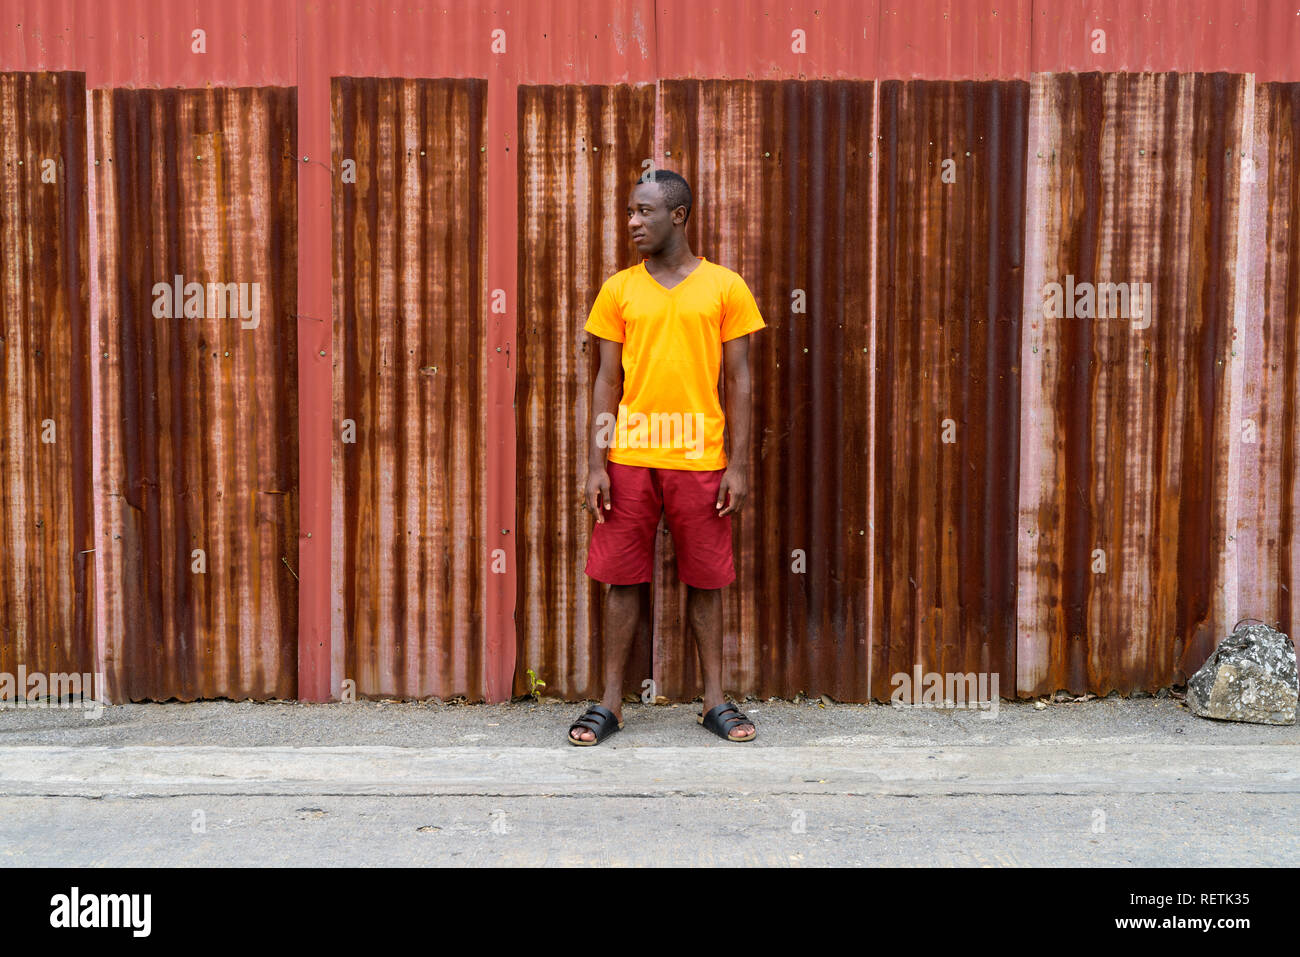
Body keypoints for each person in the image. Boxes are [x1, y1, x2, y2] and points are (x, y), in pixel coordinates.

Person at [568, 169, 766, 746]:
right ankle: (609, 704)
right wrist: (596, 462)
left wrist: (739, 465)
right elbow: (607, 380)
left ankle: (714, 701)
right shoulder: (619, 289)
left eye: (644, 211)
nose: (632, 222)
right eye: (630, 211)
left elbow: (742, 381)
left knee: (705, 580)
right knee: (621, 579)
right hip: (630, 456)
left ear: (677, 216)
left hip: (700, 458)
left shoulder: (726, 288)